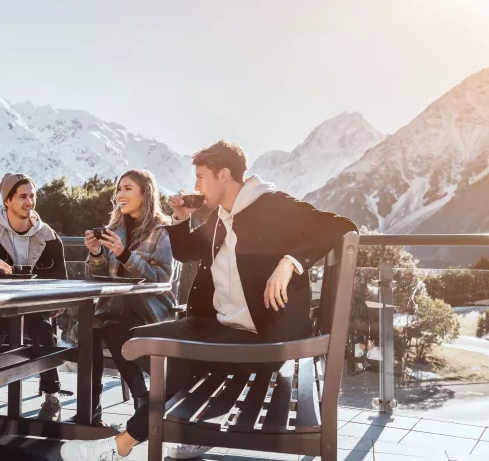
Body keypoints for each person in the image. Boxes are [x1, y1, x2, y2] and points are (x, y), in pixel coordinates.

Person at [61, 141, 357, 461]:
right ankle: (175, 428)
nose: (196, 186)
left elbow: (341, 225)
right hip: (220, 325)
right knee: (136, 340)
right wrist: (179, 217)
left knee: (173, 358)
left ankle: (122, 444)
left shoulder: (271, 204)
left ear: (224, 175)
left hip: (260, 336)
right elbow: (188, 251)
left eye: (201, 177)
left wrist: (290, 262)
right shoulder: (222, 215)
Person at [0, 173, 69, 420]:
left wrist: (56, 303)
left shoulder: (49, 237)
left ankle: (52, 397)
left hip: (32, 309)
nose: (30, 201)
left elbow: (61, 282)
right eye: (23, 196)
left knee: (43, 331)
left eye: (32, 196)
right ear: (7, 201)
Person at [82, 169, 177, 426]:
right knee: (89, 331)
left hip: (150, 310)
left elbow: (161, 279)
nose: (120, 194)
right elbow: (96, 277)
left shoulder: (162, 231)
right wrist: (96, 253)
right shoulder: (114, 230)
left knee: (115, 330)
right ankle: (91, 407)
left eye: (128, 189)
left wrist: (126, 255)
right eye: (119, 189)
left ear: (145, 193)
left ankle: (142, 397)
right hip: (114, 309)